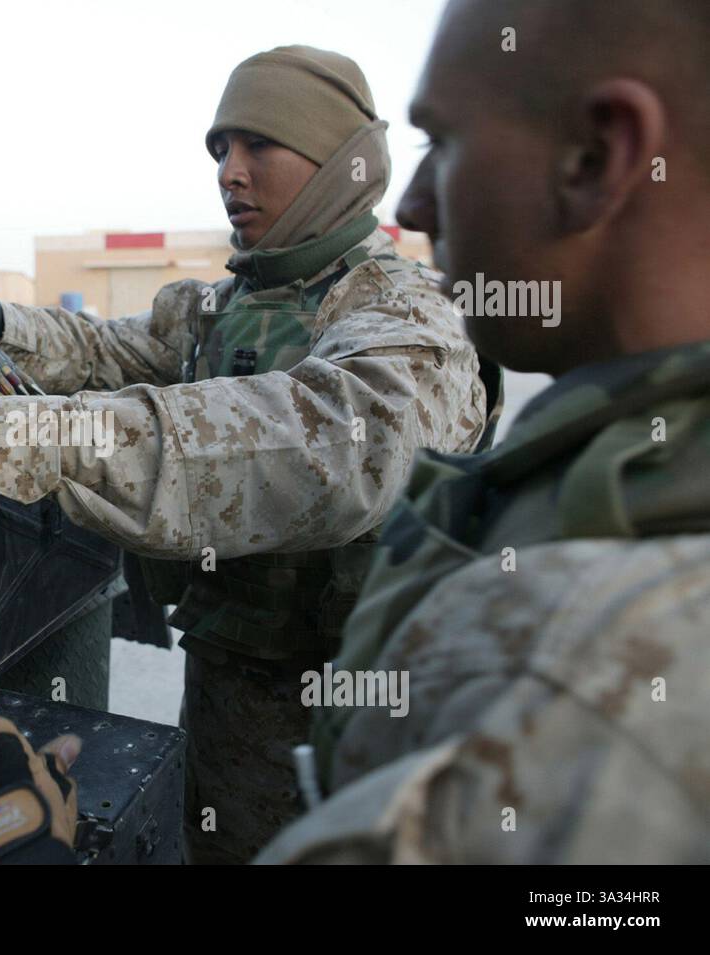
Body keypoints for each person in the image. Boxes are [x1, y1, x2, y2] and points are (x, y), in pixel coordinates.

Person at [0, 46, 498, 864]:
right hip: (230, 682)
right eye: (218, 150)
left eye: (257, 146)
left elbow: (330, 441)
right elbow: (113, 353)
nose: (229, 174)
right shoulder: (228, 304)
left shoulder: (407, 313)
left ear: (338, 164)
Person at [252, 0, 710, 863]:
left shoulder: (576, 659)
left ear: (594, 158)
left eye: (443, 143)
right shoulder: (619, 468)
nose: (417, 202)